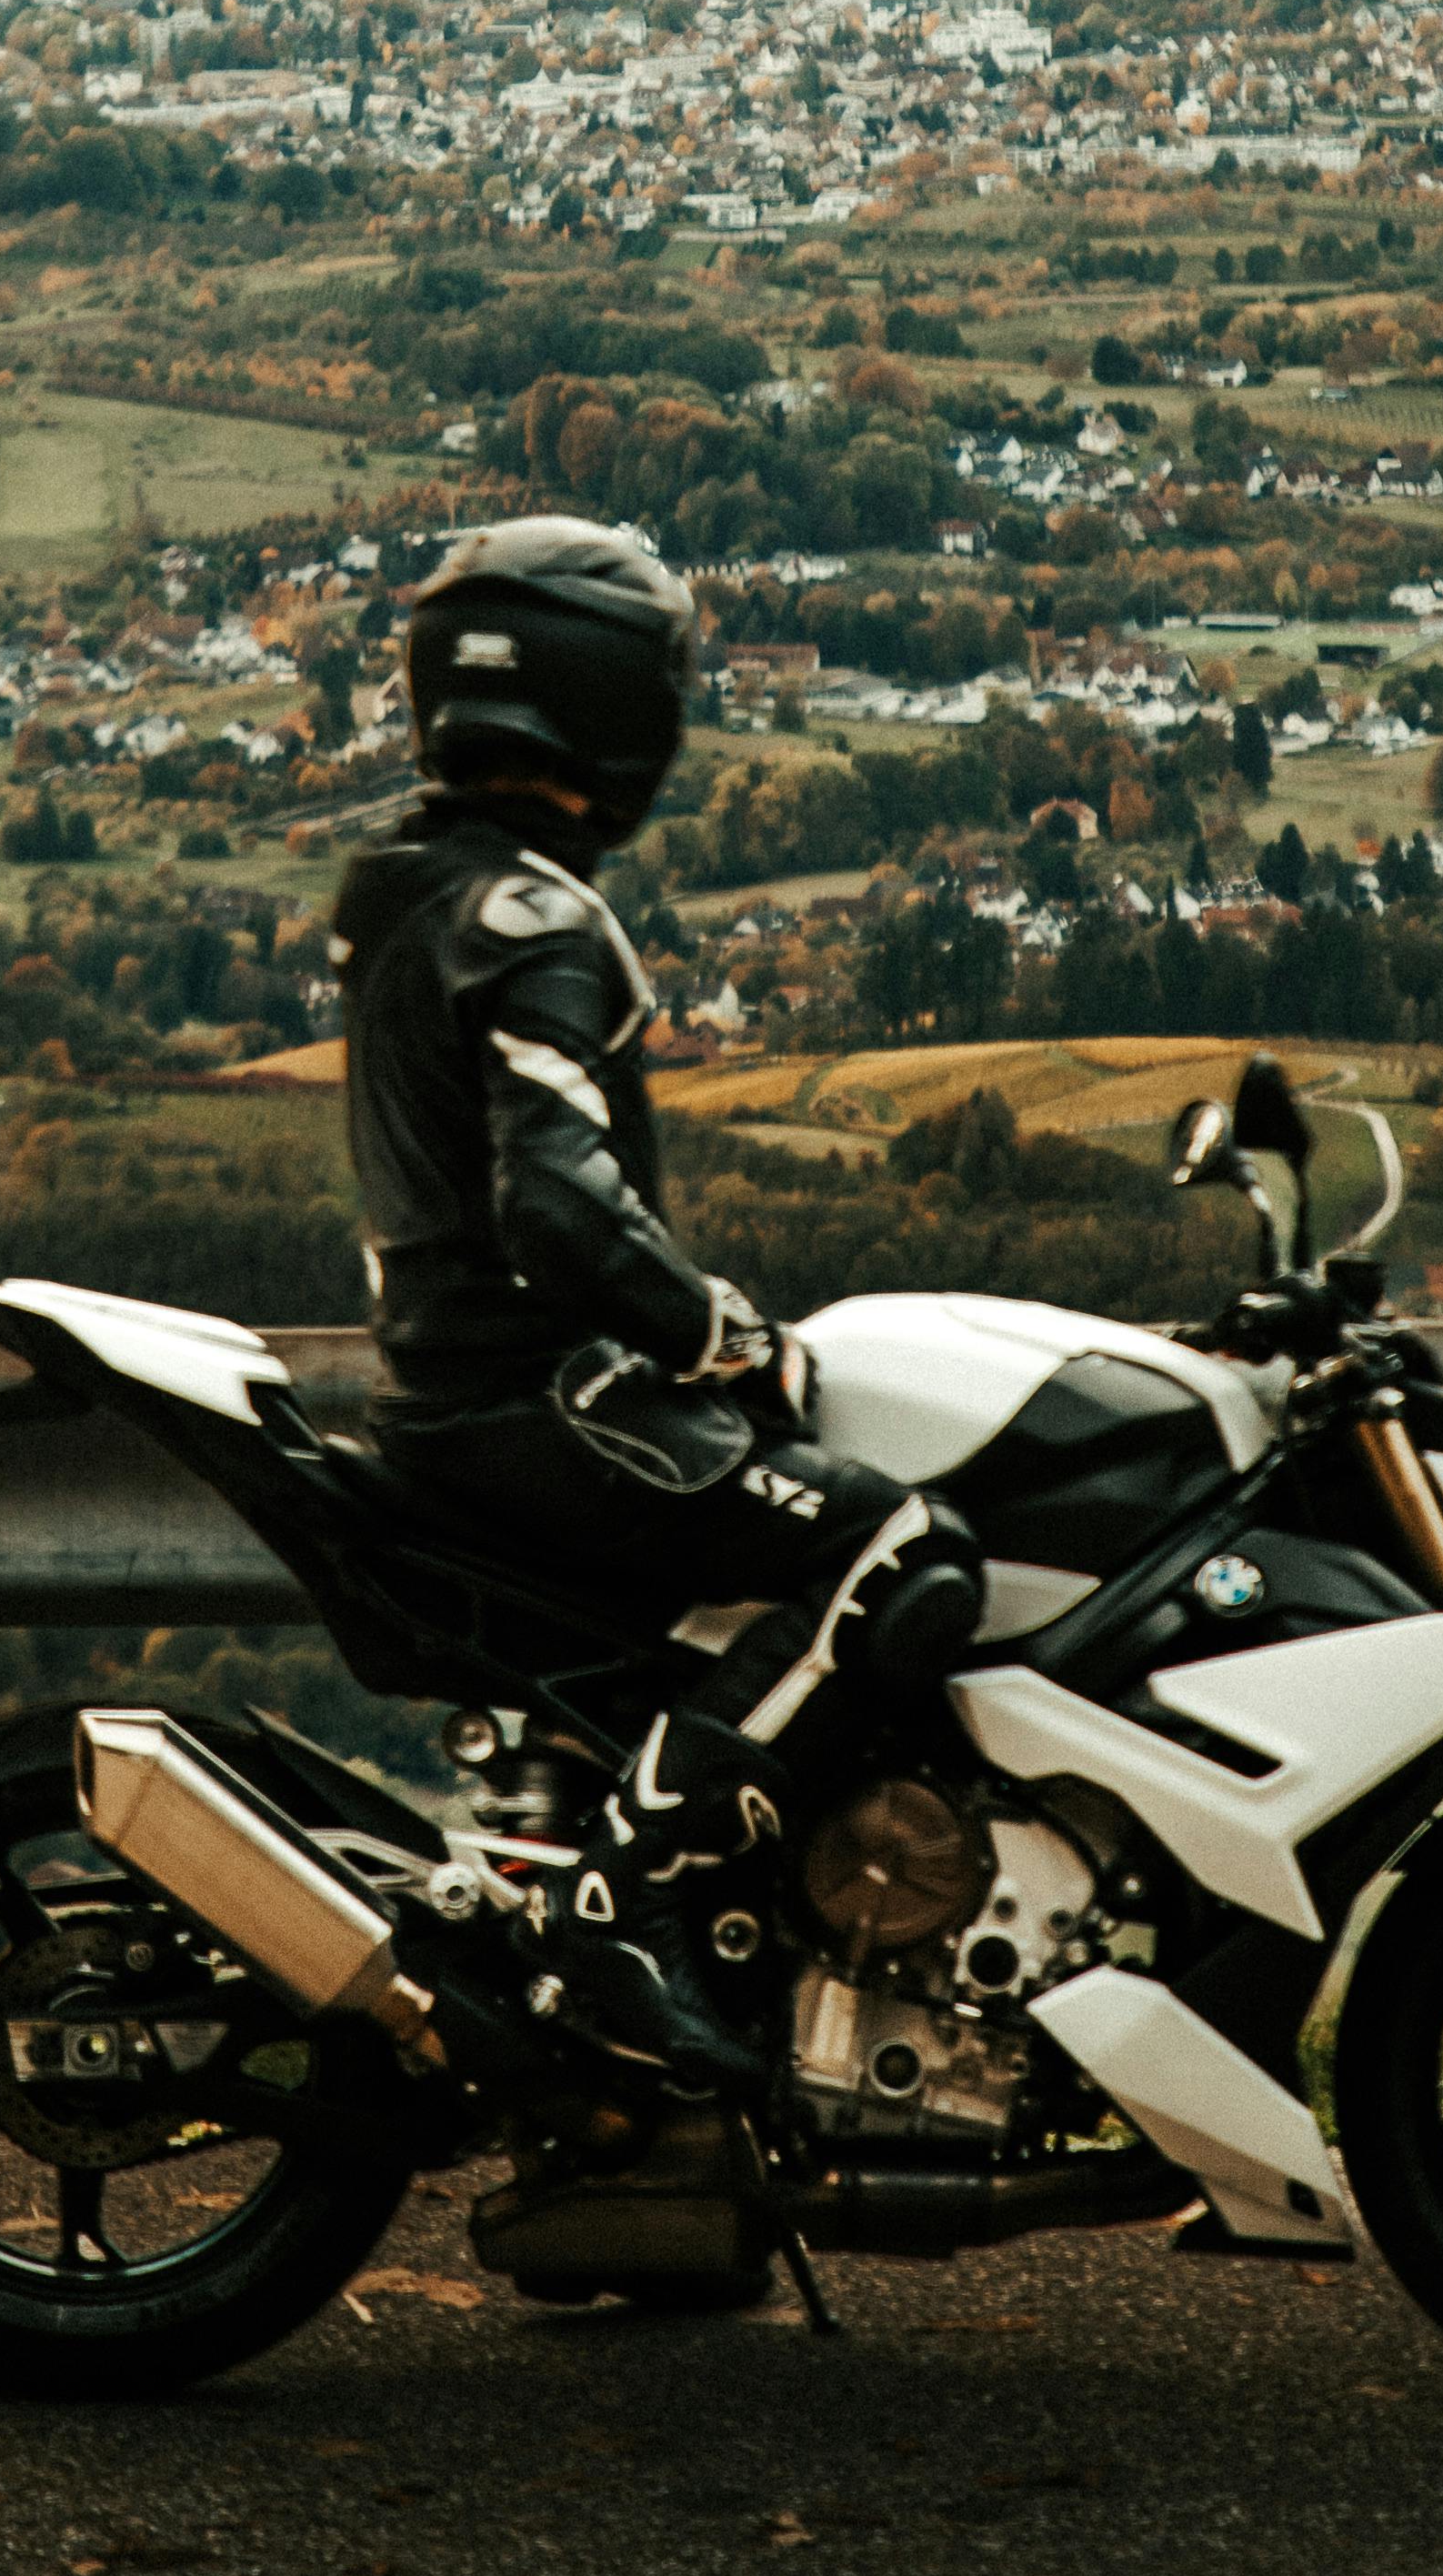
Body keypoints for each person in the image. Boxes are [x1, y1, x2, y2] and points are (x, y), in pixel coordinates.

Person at [330, 514, 983, 2097]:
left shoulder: (404, 887)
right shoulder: (541, 920)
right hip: (543, 1404)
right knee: (901, 1556)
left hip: (445, 1393)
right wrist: (719, 1335)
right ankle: (626, 1915)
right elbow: (558, 1204)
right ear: (620, 710)